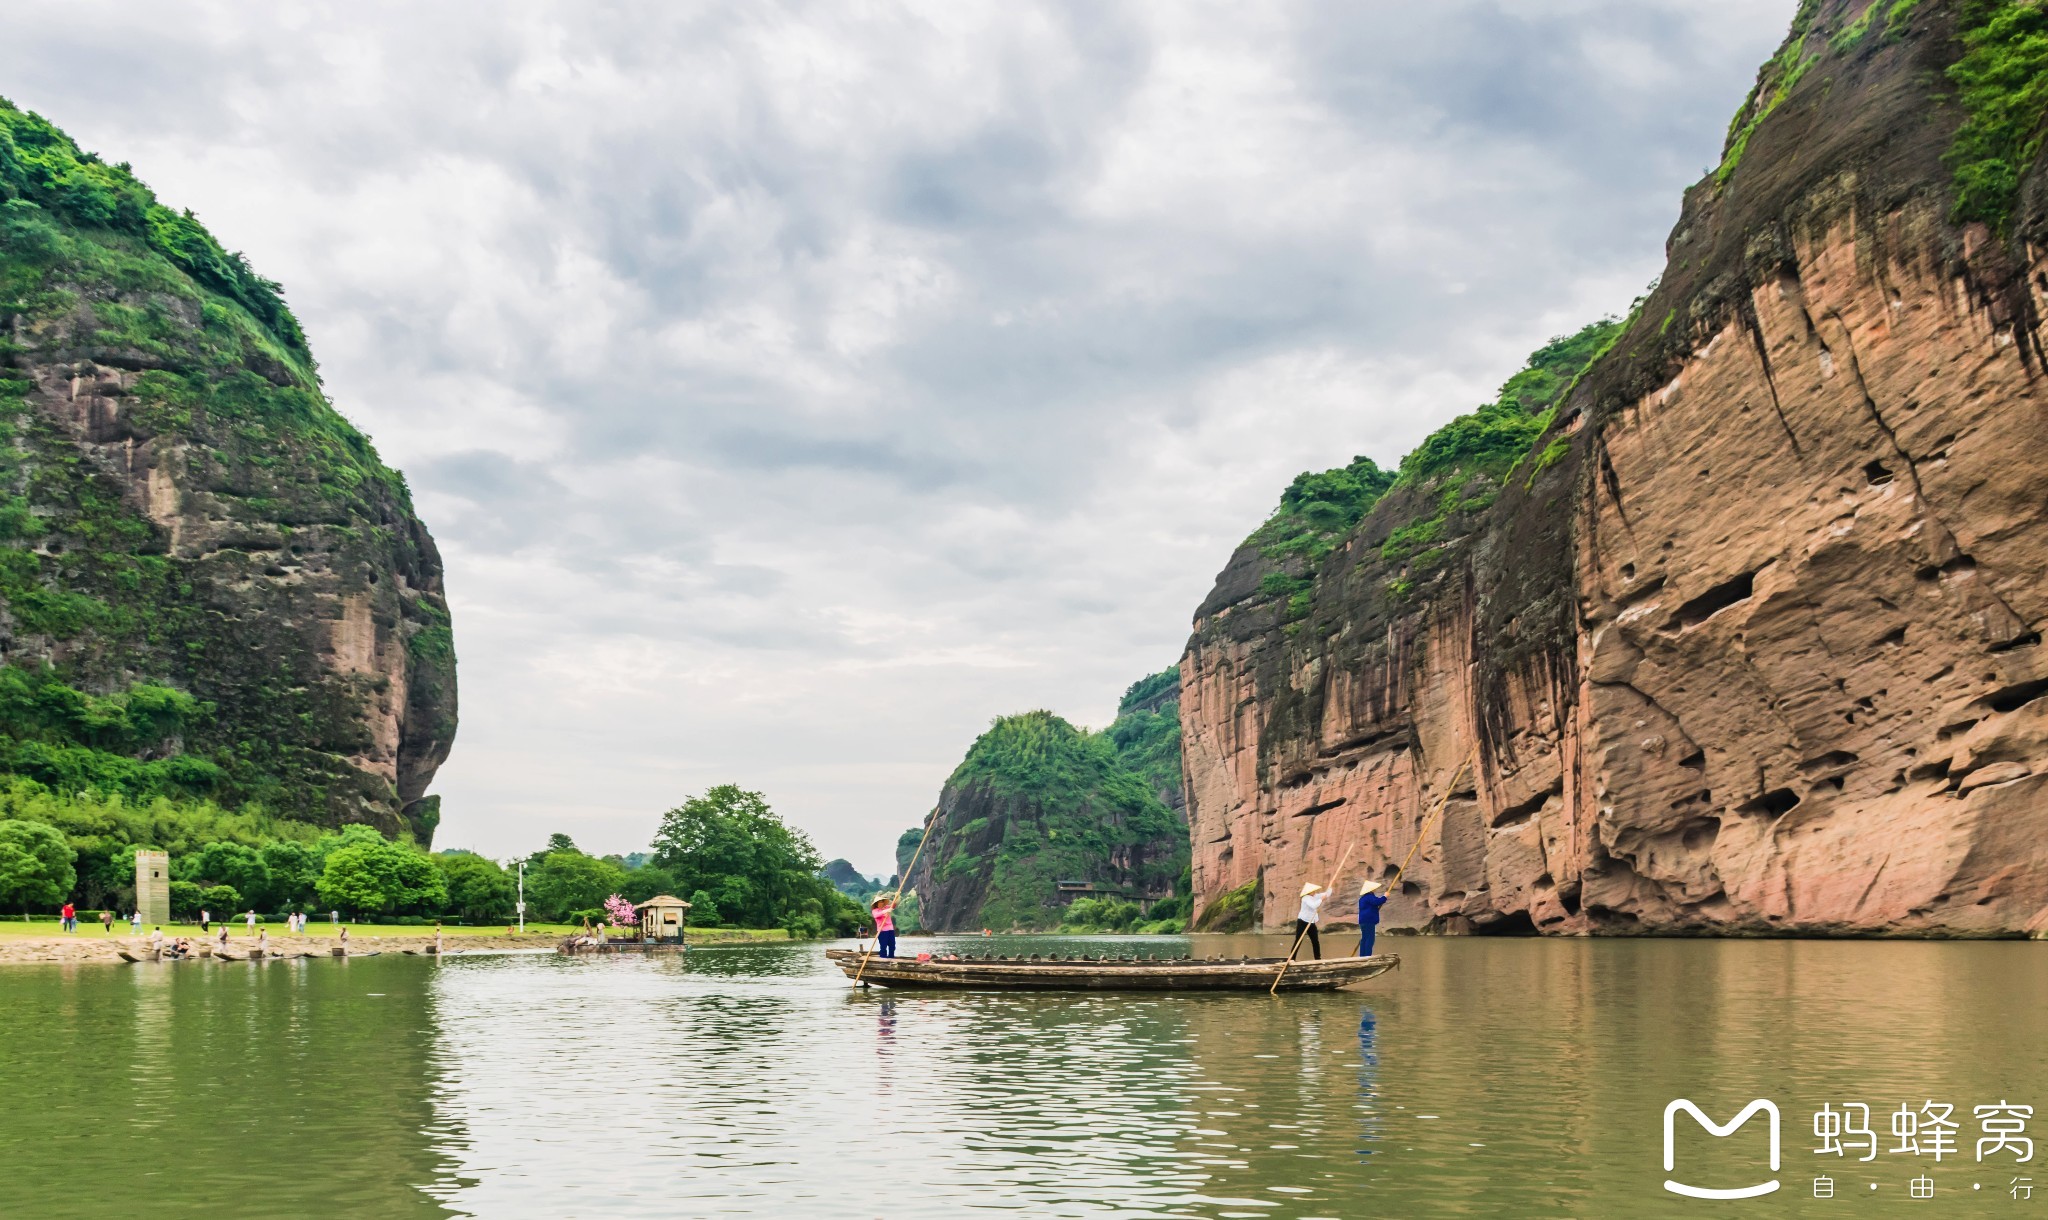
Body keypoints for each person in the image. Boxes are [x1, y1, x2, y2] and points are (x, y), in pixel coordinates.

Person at [1294, 882, 1326, 961]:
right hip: (1303, 921)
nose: (1315, 892)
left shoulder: (1314, 896)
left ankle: (1318, 958)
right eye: (1313, 891)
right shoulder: (1305, 898)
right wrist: (1321, 899)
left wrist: (1328, 891)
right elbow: (1314, 905)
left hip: (1311, 922)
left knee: (1315, 941)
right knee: (1298, 940)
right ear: (1309, 892)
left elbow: (1323, 894)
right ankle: (1292, 958)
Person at [1356, 881, 1388, 957]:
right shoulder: (1369, 897)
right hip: (1368, 921)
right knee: (1370, 939)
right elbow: (1377, 902)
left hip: (1362, 921)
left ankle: (1362, 956)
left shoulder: (1362, 898)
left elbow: (1374, 903)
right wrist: (1385, 896)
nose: (1374, 890)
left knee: (1364, 938)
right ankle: (1367, 956)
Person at [871, 894, 898, 959]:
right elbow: (876, 916)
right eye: (880, 902)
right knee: (883, 946)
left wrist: (896, 897)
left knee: (892, 946)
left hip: (890, 930)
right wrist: (884, 911)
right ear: (876, 903)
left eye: (882, 902)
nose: (881, 903)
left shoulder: (886, 907)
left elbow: (893, 906)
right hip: (882, 931)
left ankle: (891, 958)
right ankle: (883, 959)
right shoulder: (875, 911)